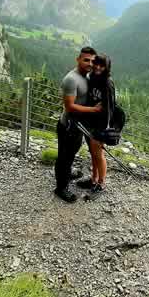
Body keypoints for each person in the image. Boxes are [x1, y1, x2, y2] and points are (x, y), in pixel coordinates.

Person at [54, 46, 102, 203]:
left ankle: (67, 173)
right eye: (86, 59)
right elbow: (69, 106)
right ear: (78, 59)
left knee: (71, 154)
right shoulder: (71, 79)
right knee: (64, 158)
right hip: (68, 126)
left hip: (78, 127)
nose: (89, 63)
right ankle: (61, 188)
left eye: (92, 61)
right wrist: (94, 110)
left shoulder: (86, 76)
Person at [76, 54, 116, 195]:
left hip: (100, 126)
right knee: (93, 153)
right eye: (96, 64)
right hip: (90, 122)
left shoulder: (107, 83)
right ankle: (93, 179)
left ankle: (101, 183)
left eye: (102, 65)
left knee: (99, 155)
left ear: (107, 67)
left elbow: (110, 109)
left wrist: (104, 131)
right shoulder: (93, 78)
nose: (98, 67)